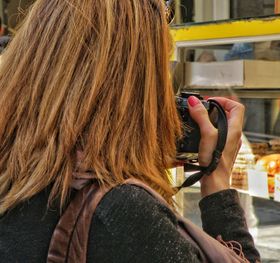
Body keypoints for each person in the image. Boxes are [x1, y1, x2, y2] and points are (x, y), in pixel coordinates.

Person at [0, 0, 260, 262]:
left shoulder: (12, 181)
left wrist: (134, 159)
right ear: (136, 90)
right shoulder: (124, 213)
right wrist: (217, 184)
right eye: (161, 77)